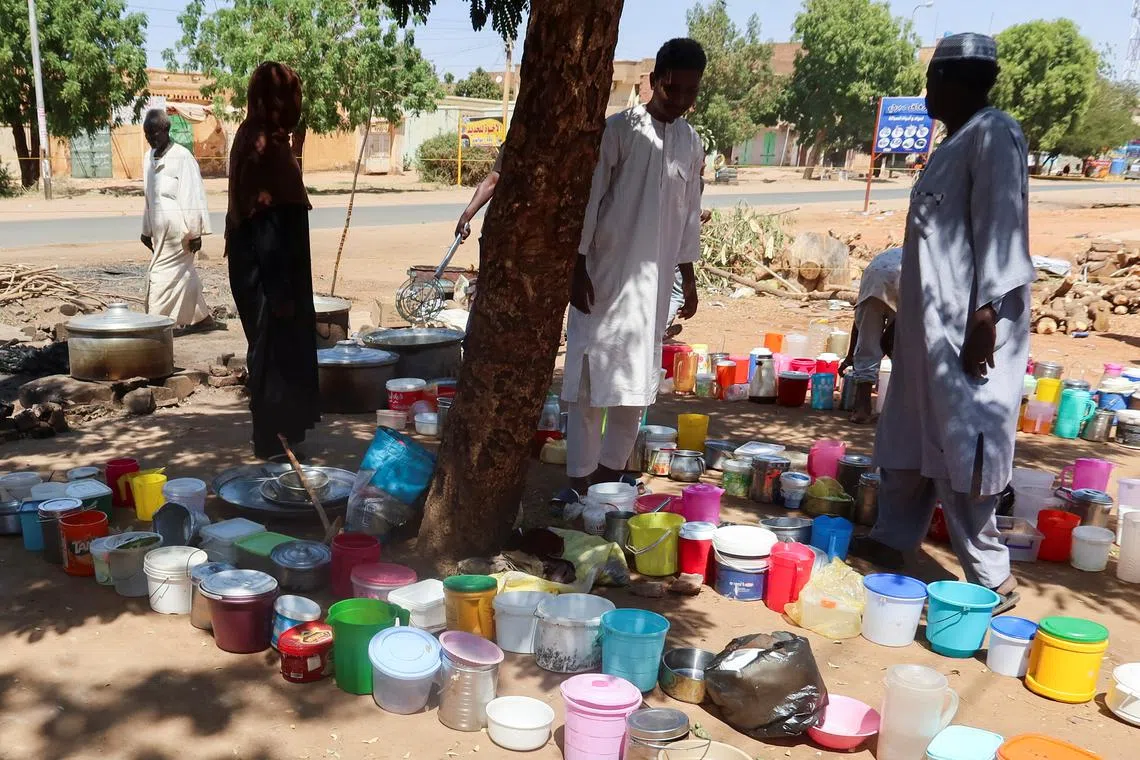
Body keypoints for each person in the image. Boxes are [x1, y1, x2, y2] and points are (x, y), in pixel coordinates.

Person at [851, 33, 1033, 615]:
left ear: (965, 82)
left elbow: (1002, 229)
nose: (927, 90)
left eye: (935, 79)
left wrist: (986, 314)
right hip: (926, 333)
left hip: (967, 331)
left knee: (963, 450)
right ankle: (892, 539)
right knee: (905, 440)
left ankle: (991, 578)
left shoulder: (993, 134)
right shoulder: (953, 144)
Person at [562, 38, 706, 496]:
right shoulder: (619, 131)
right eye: (672, 89)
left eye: (690, 92)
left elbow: (689, 216)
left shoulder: (691, 143)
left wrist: (688, 275)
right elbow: (588, 201)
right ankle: (579, 478)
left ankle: (609, 477)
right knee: (590, 382)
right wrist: (577, 266)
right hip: (603, 278)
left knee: (636, 386)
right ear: (653, 81)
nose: (680, 100)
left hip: (655, 287)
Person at [225, 62, 320, 460]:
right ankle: (276, 441)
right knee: (274, 352)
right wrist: (281, 292)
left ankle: (281, 436)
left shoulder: (256, 139)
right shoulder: (265, 150)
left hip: (261, 269)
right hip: (271, 272)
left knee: (270, 350)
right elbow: (268, 222)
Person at [141, 109, 214, 328]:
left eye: (154, 133)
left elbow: (192, 195)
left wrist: (195, 232)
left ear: (165, 130)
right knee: (184, 275)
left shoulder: (182, 157)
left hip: (180, 235)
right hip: (160, 235)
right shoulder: (148, 158)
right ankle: (202, 318)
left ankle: (156, 323)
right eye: (147, 134)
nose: (150, 138)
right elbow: (148, 196)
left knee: (159, 277)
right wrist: (146, 231)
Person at [840, 246, 901, 424]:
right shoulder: (923, 256)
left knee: (868, 344)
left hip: (874, 274)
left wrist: (852, 355)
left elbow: (860, 324)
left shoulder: (887, 255)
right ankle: (897, 412)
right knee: (903, 350)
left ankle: (861, 409)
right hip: (903, 277)